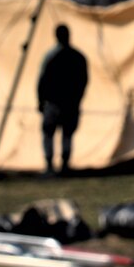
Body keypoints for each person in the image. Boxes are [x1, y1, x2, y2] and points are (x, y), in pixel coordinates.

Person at [37, 24, 88, 176]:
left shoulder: (52, 56)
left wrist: (40, 100)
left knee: (53, 133)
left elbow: (42, 80)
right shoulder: (77, 56)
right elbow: (83, 81)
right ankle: (61, 165)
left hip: (55, 102)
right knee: (64, 134)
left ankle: (52, 166)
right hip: (67, 102)